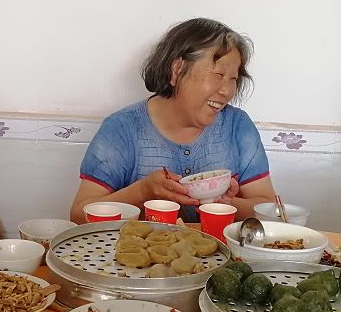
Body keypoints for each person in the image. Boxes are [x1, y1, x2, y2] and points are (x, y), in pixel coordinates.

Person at [69, 17, 276, 223]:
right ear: (177, 70)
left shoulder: (237, 126)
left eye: (233, 79)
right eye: (218, 74)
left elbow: (268, 208)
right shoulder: (122, 129)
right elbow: (79, 215)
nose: (226, 91)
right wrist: (142, 192)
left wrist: (226, 204)